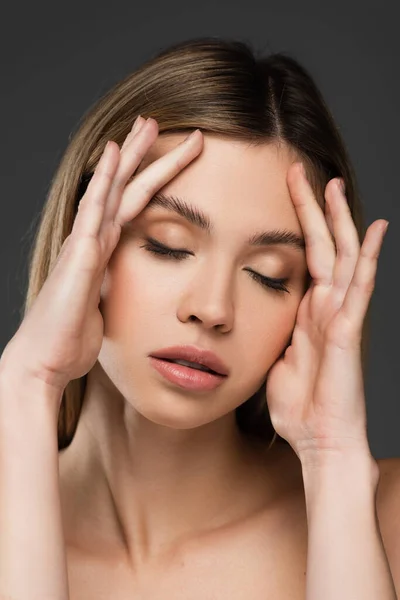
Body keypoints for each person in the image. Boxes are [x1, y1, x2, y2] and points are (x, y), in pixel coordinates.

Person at [0, 36, 397, 599]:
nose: (212, 309)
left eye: (268, 274)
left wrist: (333, 459)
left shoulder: (383, 524)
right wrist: (24, 388)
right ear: (80, 239)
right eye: (166, 245)